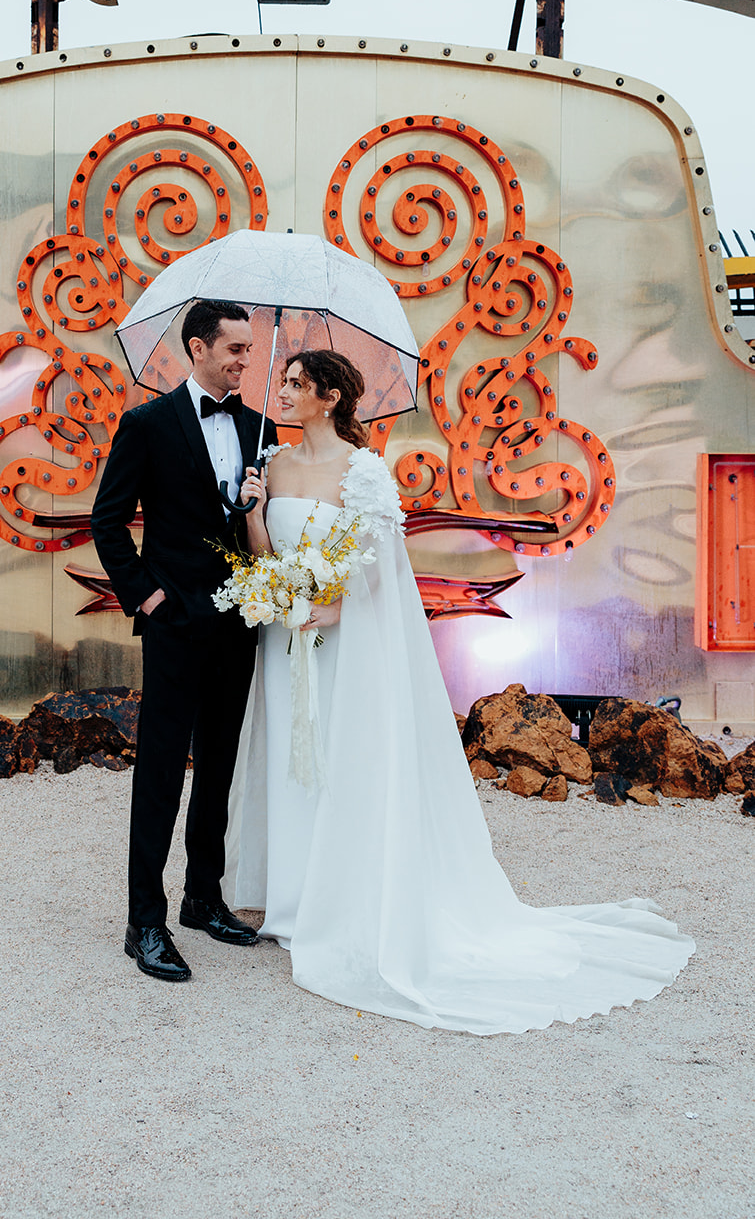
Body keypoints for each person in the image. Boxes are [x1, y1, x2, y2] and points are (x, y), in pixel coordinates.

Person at [225, 349, 694, 1034]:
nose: (284, 393)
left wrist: (337, 606)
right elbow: (266, 557)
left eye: (297, 384)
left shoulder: (363, 471)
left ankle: (341, 897)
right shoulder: (273, 465)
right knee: (288, 759)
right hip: (284, 636)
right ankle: (288, 897)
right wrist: (255, 515)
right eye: (284, 382)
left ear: (329, 397)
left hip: (337, 638)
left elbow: (379, 565)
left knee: (336, 756)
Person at [91, 300, 278, 982]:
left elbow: (258, 531)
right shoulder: (145, 424)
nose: (243, 360)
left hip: (240, 624)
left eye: (248, 349)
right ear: (197, 348)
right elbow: (106, 523)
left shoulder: (262, 429)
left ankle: (204, 897)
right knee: (162, 772)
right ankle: (145, 921)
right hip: (173, 625)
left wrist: (256, 508)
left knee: (221, 765)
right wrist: (148, 595)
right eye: (233, 349)